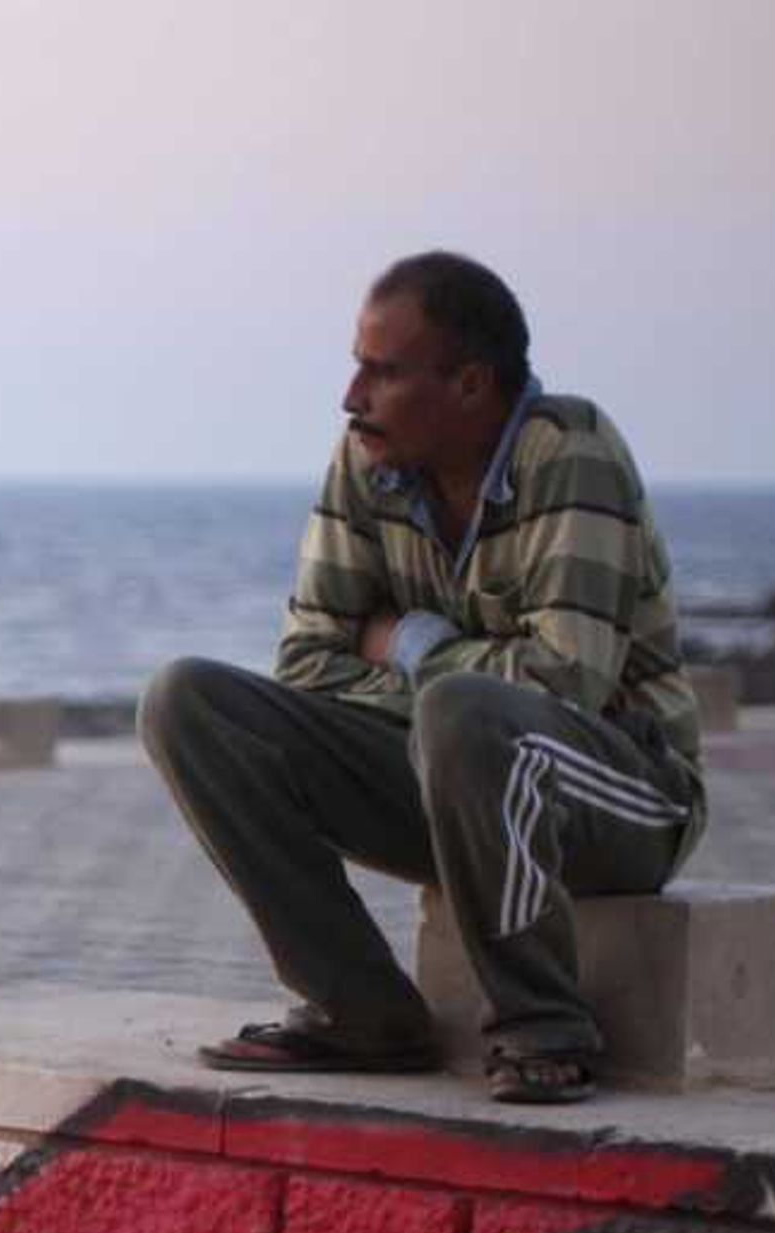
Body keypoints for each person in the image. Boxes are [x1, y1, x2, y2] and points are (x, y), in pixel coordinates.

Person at [141, 251, 709, 1106]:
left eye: (383, 372)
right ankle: (361, 1012)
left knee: (464, 712)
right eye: (356, 366)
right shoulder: (367, 456)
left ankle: (543, 1026)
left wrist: (409, 642)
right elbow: (306, 664)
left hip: (626, 797)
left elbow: (566, 686)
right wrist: (443, 694)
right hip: (451, 775)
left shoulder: (572, 452)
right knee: (189, 703)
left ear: (472, 384)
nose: (351, 397)